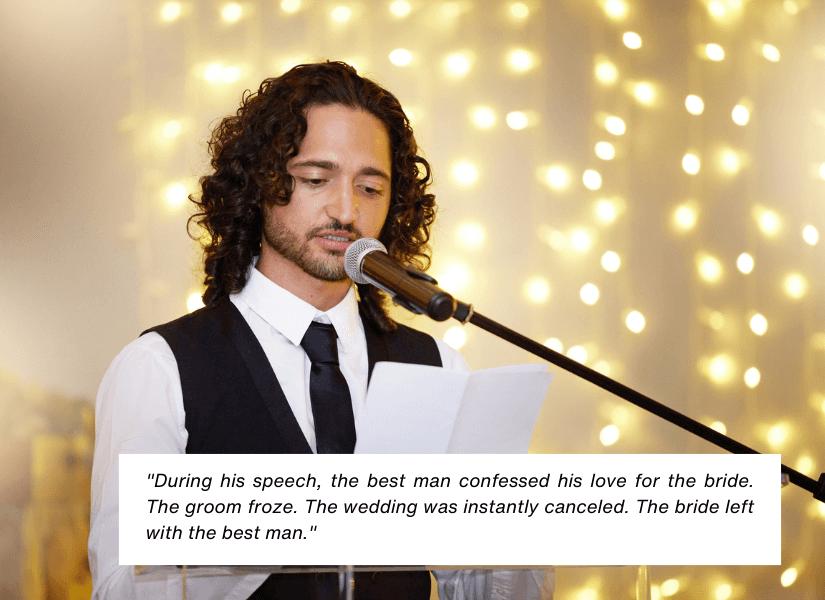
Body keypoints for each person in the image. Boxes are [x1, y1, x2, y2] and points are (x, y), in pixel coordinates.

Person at [89, 61, 553, 600]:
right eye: (315, 179)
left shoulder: (440, 369)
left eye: (371, 187)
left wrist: (516, 524)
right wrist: (284, 520)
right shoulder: (160, 366)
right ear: (259, 184)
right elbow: (122, 587)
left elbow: (485, 590)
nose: (345, 210)